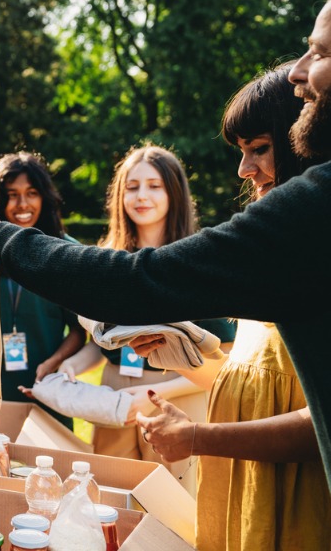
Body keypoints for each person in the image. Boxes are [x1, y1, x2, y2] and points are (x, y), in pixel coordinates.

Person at [0, 0, 331, 489]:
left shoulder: (303, 217)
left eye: (320, 53)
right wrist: (191, 354)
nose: (300, 71)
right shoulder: (287, 234)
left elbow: (137, 282)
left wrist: (0, 240)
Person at [133, 65, 329, 550]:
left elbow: (319, 426)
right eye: (241, 153)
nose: (244, 171)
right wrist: (179, 353)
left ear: (304, 140)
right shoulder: (276, 251)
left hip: (298, 511)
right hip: (245, 500)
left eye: (259, 149)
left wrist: (198, 438)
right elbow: (261, 383)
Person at [55, 145, 234, 484]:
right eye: (132, 186)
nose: (141, 196)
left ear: (174, 192)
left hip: (175, 395)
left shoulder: (197, 261)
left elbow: (223, 363)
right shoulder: (106, 260)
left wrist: (155, 396)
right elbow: (105, 340)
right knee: (111, 497)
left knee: (173, 507)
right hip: (112, 398)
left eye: (154, 186)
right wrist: (72, 366)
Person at [0, 152, 85, 430]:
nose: (23, 204)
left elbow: (80, 330)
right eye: (12, 194)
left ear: (44, 197)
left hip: (44, 387)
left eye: (31, 193)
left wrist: (54, 363)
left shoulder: (65, 251)